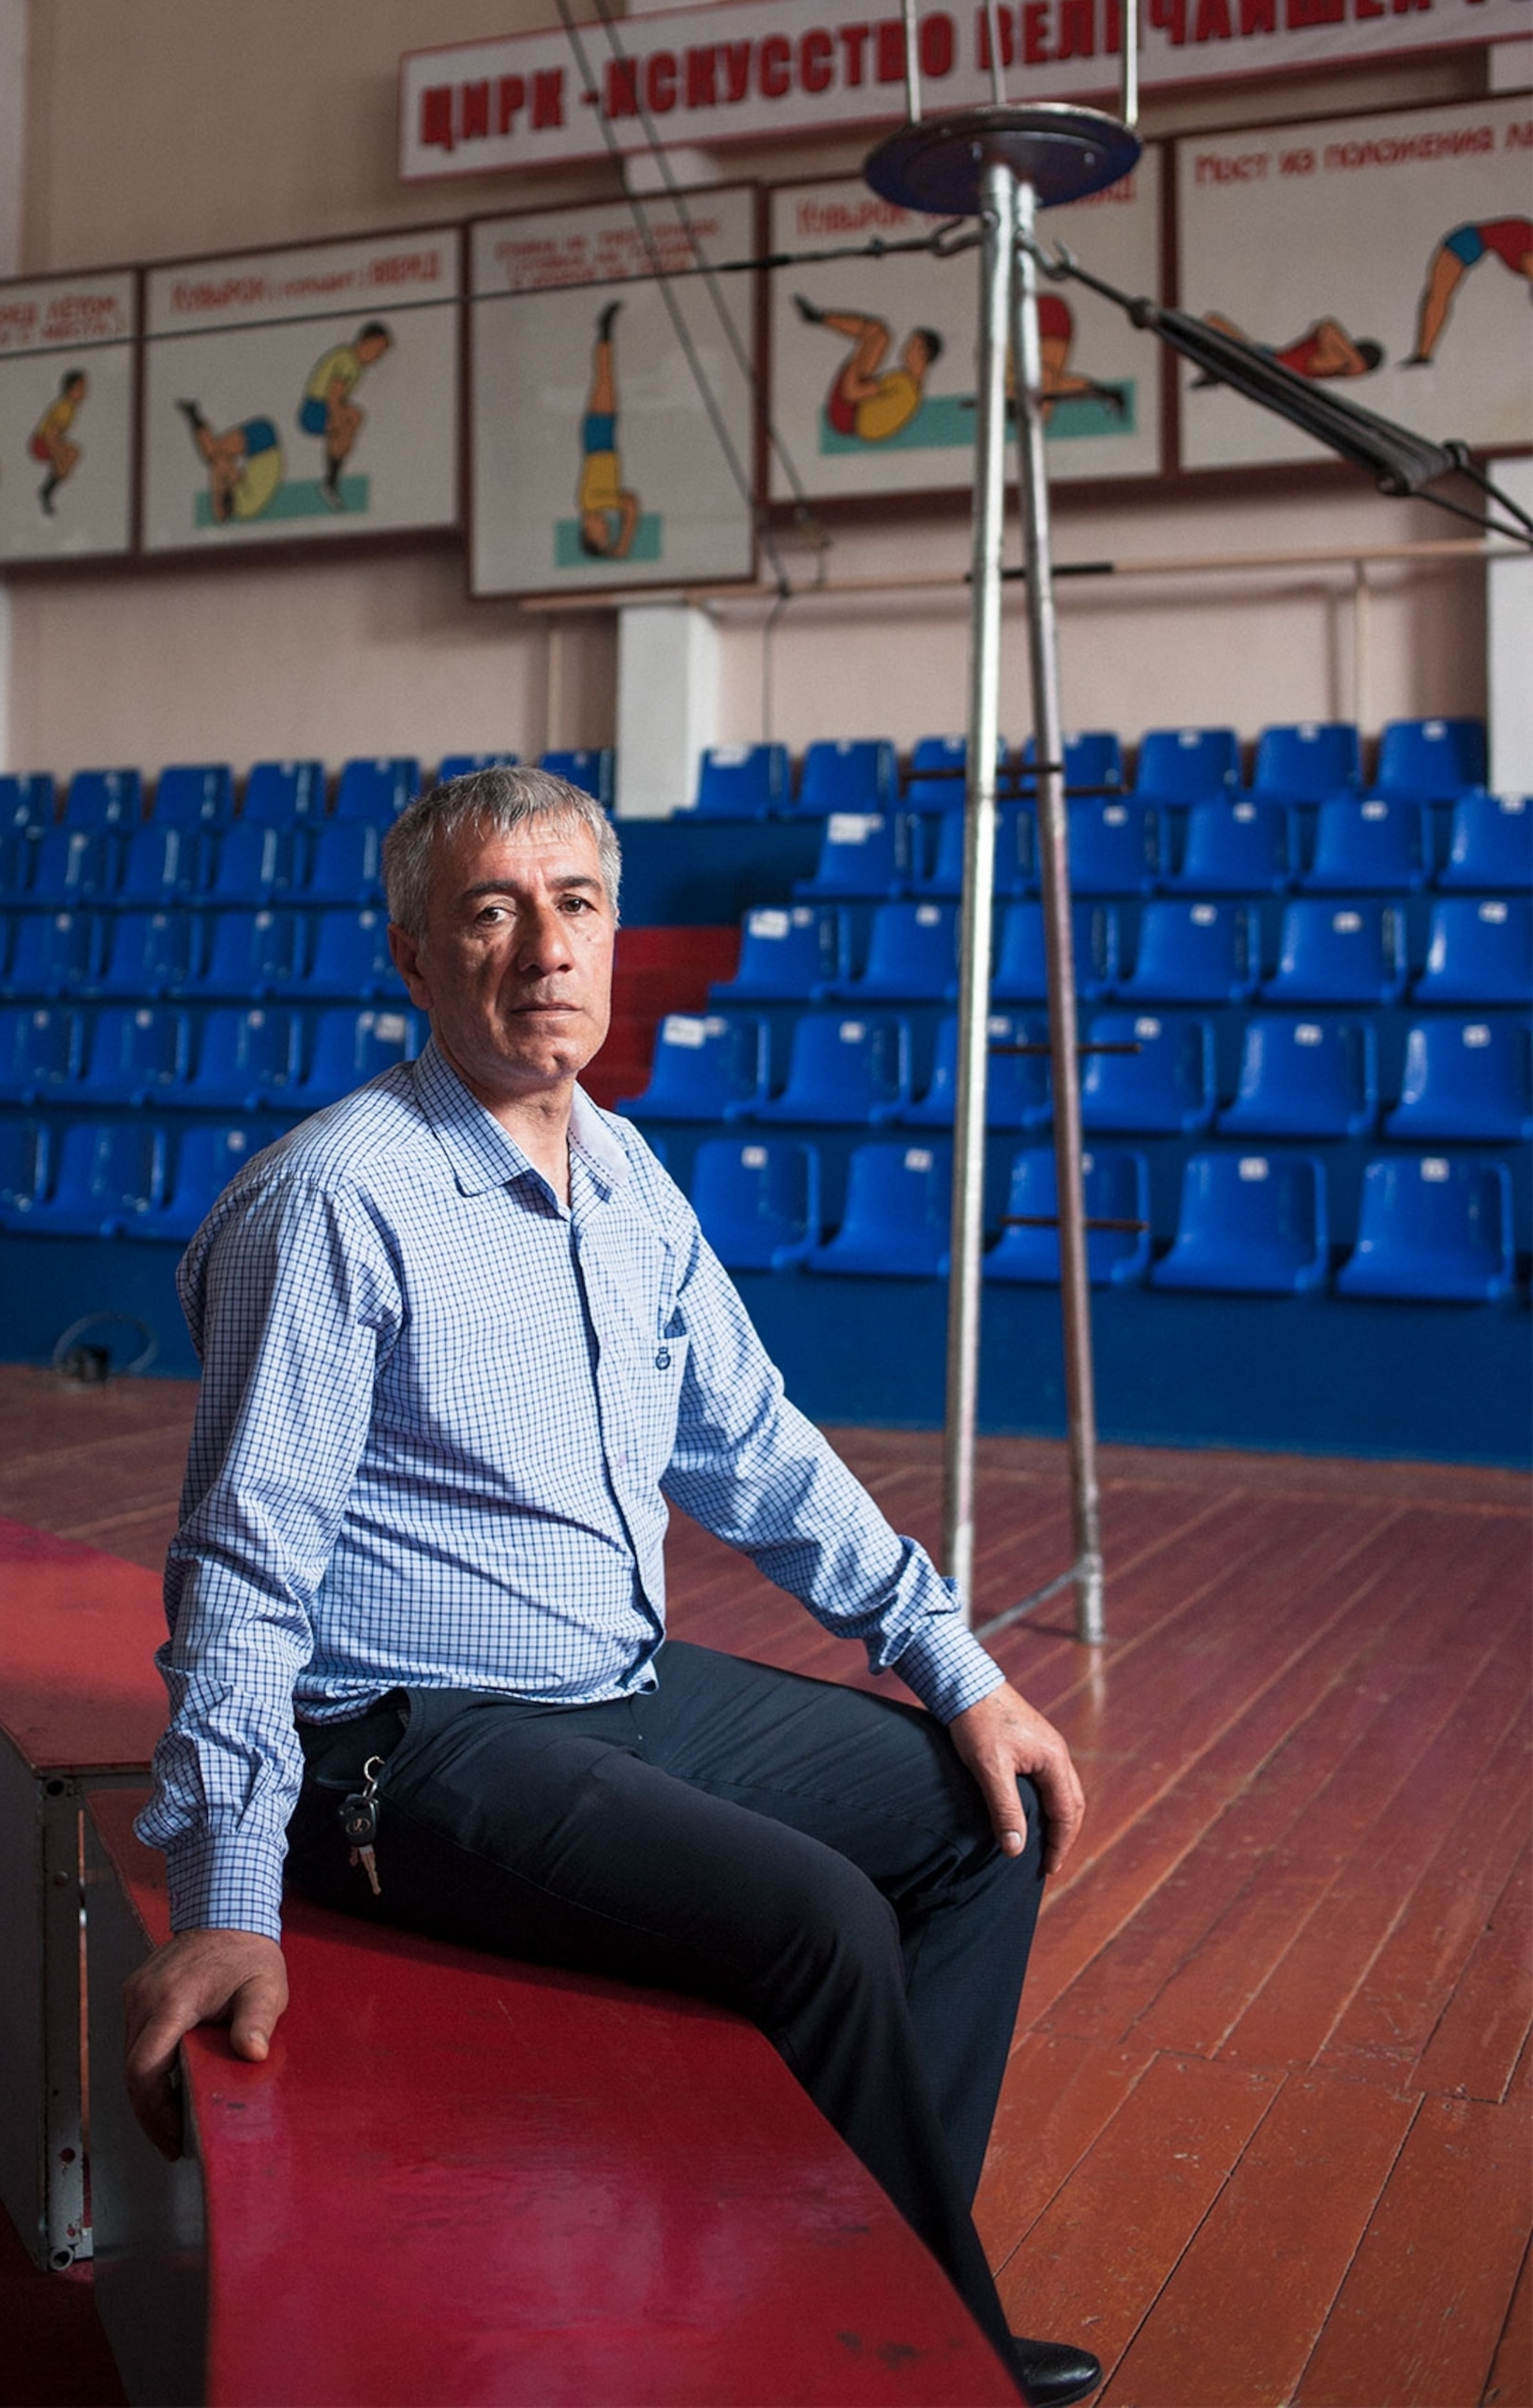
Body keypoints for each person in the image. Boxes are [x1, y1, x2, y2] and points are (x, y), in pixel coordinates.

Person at [122, 766, 1101, 2408]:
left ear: (613, 936)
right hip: (402, 1740)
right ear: (413, 958)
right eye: (488, 910)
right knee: (820, 1921)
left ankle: (883, 2303)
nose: (541, 947)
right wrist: (227, 1897)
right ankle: (888, 2359)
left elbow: (757, 1452)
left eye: (572, 904)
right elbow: (242, 1564)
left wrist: (957, 1666)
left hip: (610, 1695)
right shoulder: (333, 1201)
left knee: (978, 1810)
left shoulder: (626, 1180)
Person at [796, 295, 942, 443]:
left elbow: (851, 393)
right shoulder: (915, 390)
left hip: (846, 414)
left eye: (911, 346)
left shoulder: (903, 382)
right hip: (853, 419)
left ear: (923, 353)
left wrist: (860, 350)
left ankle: (818, 317)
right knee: (877, 335)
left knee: (878, 334)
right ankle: (817, 318)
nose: (905, 349)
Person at [1401, 216, 1533, 365]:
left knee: (1438, 294)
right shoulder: (1526, 254)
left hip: (1472, 239)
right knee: (1438, 294)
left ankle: (1423, 355)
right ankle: (1422, 355)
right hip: (1471, 238)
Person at [299, 319, 392, 504]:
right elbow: (334, 396)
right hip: (315, 410)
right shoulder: (349, 362)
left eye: (381, 354)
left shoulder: (353, 362)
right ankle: (330, 482)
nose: (377, 357)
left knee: (354, 418)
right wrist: (341, 426)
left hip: (320, 407)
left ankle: (331, 479)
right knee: (347, 427)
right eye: (377, 350)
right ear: (365, 342)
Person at [575, 299, 639, 558]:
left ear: (588, 529)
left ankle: (604, 331)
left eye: (601, 533)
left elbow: (629, 505)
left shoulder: (591, 503)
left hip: (597, 442)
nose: (605, 528)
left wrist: (623, 543)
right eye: (606, 534)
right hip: (604, 444)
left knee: (604, 378)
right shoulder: (599, 505)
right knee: (605, 380)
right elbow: (629, 501)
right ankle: (605, 332)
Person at [1197, 313, 1382, 386]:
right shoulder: (1338, 358)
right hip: (1269, 360)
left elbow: (1326, 328)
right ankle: (1214, 370)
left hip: (1270, 363)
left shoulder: (1338, 361)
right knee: (1213, 323)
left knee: (1214, 325)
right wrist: (1352, 360)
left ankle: (1215, 370)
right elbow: (1327, 326)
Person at [176, 398, 285, 523]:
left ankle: (193, 415)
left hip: (265, 446)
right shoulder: (242, 503)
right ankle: (193, 415)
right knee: (216, 457)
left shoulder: (243, 506)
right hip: (264, 444)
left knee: (214, 456)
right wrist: (217, 490)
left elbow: (225, 473)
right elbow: (224, 469)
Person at [29, 367, 87, 513]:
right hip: (41, 443)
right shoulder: (65, 408)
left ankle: (47, 490)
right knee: (69, 458)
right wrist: (58, 457)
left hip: (46, 442)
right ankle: (47, 490)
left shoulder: (69, 407)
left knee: (71, 457)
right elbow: (50, 434)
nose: (84, 392)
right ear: (71, 389)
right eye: (80, 387)